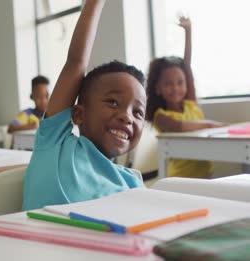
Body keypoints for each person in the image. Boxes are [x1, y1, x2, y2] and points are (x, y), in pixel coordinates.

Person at [23, 0, 145, 211]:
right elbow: (76, 63)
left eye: (138, 112)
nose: (127, 117)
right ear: (79, 114)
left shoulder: (131, 182)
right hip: (39, 243)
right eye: (113, 102)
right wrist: (93, 5)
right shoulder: (55, 144)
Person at [145, 16, 224, 178]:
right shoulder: (161, 117)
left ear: (186, 84)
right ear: (158, 89)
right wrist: (216, 125)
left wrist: (188, 32)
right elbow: (183, 126)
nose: (175, 88)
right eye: (168, 84)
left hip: (207, 176)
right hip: (180, 179)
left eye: (180, 82)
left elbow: (187, 66)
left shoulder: (190, 104)